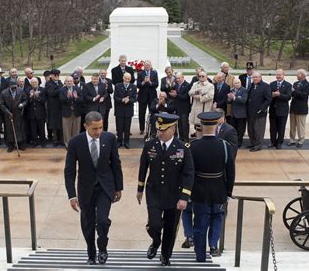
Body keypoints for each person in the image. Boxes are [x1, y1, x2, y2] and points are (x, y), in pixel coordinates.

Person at [64, 111, 123, 265]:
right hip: (85, 189)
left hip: (105, 187)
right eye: (95, 129)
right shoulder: (75, 142)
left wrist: (119, 187)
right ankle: (91, 253)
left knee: (103, 220)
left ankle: (102, 248)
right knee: (88, 224)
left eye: (101, 128)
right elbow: (69, 171)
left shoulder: (109, 138)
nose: (98, 132)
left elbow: (116, 164)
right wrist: (72, 195)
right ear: (85, 126)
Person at [137, 113, 194, 266]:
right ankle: (156, 242)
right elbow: (143, 167)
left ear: (173, 129)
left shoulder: (182, 147)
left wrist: (184, 196)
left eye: (163, 130)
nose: (160, 133)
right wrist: (140, 189)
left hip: (174, 194)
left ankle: (165, 255)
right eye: (158, 129)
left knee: (170, 226)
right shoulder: (150, 145)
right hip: (154, 192)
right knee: (154, 224)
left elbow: (189, 173)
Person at [190, 112, 235, 261]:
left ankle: (200, 255)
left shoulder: (193, 146)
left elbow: (189, 172)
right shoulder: (224, 146)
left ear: (201, 127)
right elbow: (231, 172)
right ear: (216, 126)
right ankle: (213, 245)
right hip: (219, 189)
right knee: (217, 217)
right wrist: (229, 191)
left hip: (199, 190)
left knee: (200, 221)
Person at [0, 80, 28, 152]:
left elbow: (25, 100)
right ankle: (11, 145)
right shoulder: (4, 92)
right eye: (12, 87)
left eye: (15, 87)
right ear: (9, 86)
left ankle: (20, 144)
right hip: (8, 114)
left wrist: (22, 104)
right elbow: (1, 105)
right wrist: (8, 112)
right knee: (9, 130)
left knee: (19, 129)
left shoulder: (21, 91)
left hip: (18, 114)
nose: (14, 89)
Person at [246, 72, 272, 152]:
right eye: (253, 77)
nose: (255, 79)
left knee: (258, 130)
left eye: (256, 77)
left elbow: (269, 99)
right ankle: (253, 143)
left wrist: (262, 109)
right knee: (250, 129)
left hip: (259, 112)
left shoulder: (266, 86)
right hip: (250, 112)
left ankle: (258, 145)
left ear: (260, 77)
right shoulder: (251, 85)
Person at [269, 69, 292, 149]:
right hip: (273, 110)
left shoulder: (288, 85)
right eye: (277, 74)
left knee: (281, 128)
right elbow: (268, 96)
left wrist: (279, 95)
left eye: (280, 74)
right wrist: (272, 95)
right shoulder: (271, 84)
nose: (278, 76)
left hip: (282, 111)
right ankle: (272, 142)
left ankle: (279, 143)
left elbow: (288, 97)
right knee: (273, 127)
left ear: (283, 75)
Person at [289, 69, 309, 148]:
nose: (296, 75)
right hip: (293, 108)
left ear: (302, 75)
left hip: (301, 109)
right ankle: (292, 140)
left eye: (298, 74)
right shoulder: (295, 83)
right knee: (292, 126)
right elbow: (292, 94)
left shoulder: (307, 85)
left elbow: (304, 96)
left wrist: (294, 92)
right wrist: (294, 92)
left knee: (300, 126)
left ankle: (301, 140)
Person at [113, 72, 137, 148]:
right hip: (119, 110)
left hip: (128, 110)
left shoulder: (133, 87)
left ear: (130, 79)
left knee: (127, 127)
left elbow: (135, 98)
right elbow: (115, 97)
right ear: (123, 78)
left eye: (128, 79)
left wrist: (129, 100)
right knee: (119, 127)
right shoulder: (117, 86)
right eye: (126, 78)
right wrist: (122, 100)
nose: (127, 80)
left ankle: (126, 142)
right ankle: (119, 141)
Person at [60, 75, 84, 147]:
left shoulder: (77, 89)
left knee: (76, 130)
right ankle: (68, 144)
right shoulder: (62, 90)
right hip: (66, 113)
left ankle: (75, 143)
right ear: (65, 82)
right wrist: (67, 97)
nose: (69, 82)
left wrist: (76, 98)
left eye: (70, 81)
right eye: (68, 81)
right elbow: (61, 101)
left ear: (73, 81)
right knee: (66, 130)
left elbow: (82, 100)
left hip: (76, 113)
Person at [137, 60, 159, 135]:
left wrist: (150, 82)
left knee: (153, 113)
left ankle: (153, 128)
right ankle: (142, 129)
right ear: (144, 66)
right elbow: (138, 85)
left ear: (150, 65)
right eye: (146, 65)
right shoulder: (140, 73)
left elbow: (156, 84)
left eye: (148, 65)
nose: (147, 67)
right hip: (142, 96)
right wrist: (143, 82)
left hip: (152, 96)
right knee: (141, 114)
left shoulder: (154, 73)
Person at [169, 72, 191, 142]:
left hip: (184, 108)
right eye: (176, 78)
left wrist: (176, 95)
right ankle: (181, 139)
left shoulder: (187, 85)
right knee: (179, 125)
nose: (177, 80)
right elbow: (174, 95)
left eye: (179, 78)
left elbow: (186, 97)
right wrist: (172, 94)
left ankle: (186, 139)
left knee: (185, 124)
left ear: (182, 77)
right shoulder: (176, 85)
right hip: (177, 108)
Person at [45, 69, 64, 147]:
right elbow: (51, 93)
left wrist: (60, 88)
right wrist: (61, 88)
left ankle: (61, 140)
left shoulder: (59, 82)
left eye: (58, 75)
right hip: (53, 107)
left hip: (60, 106)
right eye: (55, 75)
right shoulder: (48, 83)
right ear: (51, 75)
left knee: (60, 124)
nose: (57, 77)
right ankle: (55, 140)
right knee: (54, 125)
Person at [26, 78, 47, 148]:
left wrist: (38, 97)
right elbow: (26, 102)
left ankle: (43, 142)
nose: (34, 83)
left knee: (41, 129)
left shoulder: (43, 90)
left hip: (40, 113)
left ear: (38, 83)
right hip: (31, 114)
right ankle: (35, 142)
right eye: (33, 82)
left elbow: (44, 101)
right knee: (33, 129)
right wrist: (31, 97)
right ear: (31, 83)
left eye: (35, 82)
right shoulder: (27, 90)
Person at [227, 78, 248, 148]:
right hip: (233, 114)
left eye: (239, 82)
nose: (238, 84)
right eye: (236, 83)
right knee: (234, 129)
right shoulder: (232, 90)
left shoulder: (244, 90)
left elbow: (244, 100)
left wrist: (234, 97)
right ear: (233, 84)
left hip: (241, 114)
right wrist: (229, 98)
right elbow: (229, 102)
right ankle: (234, 142)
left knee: (240, 130)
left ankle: (239, 143)